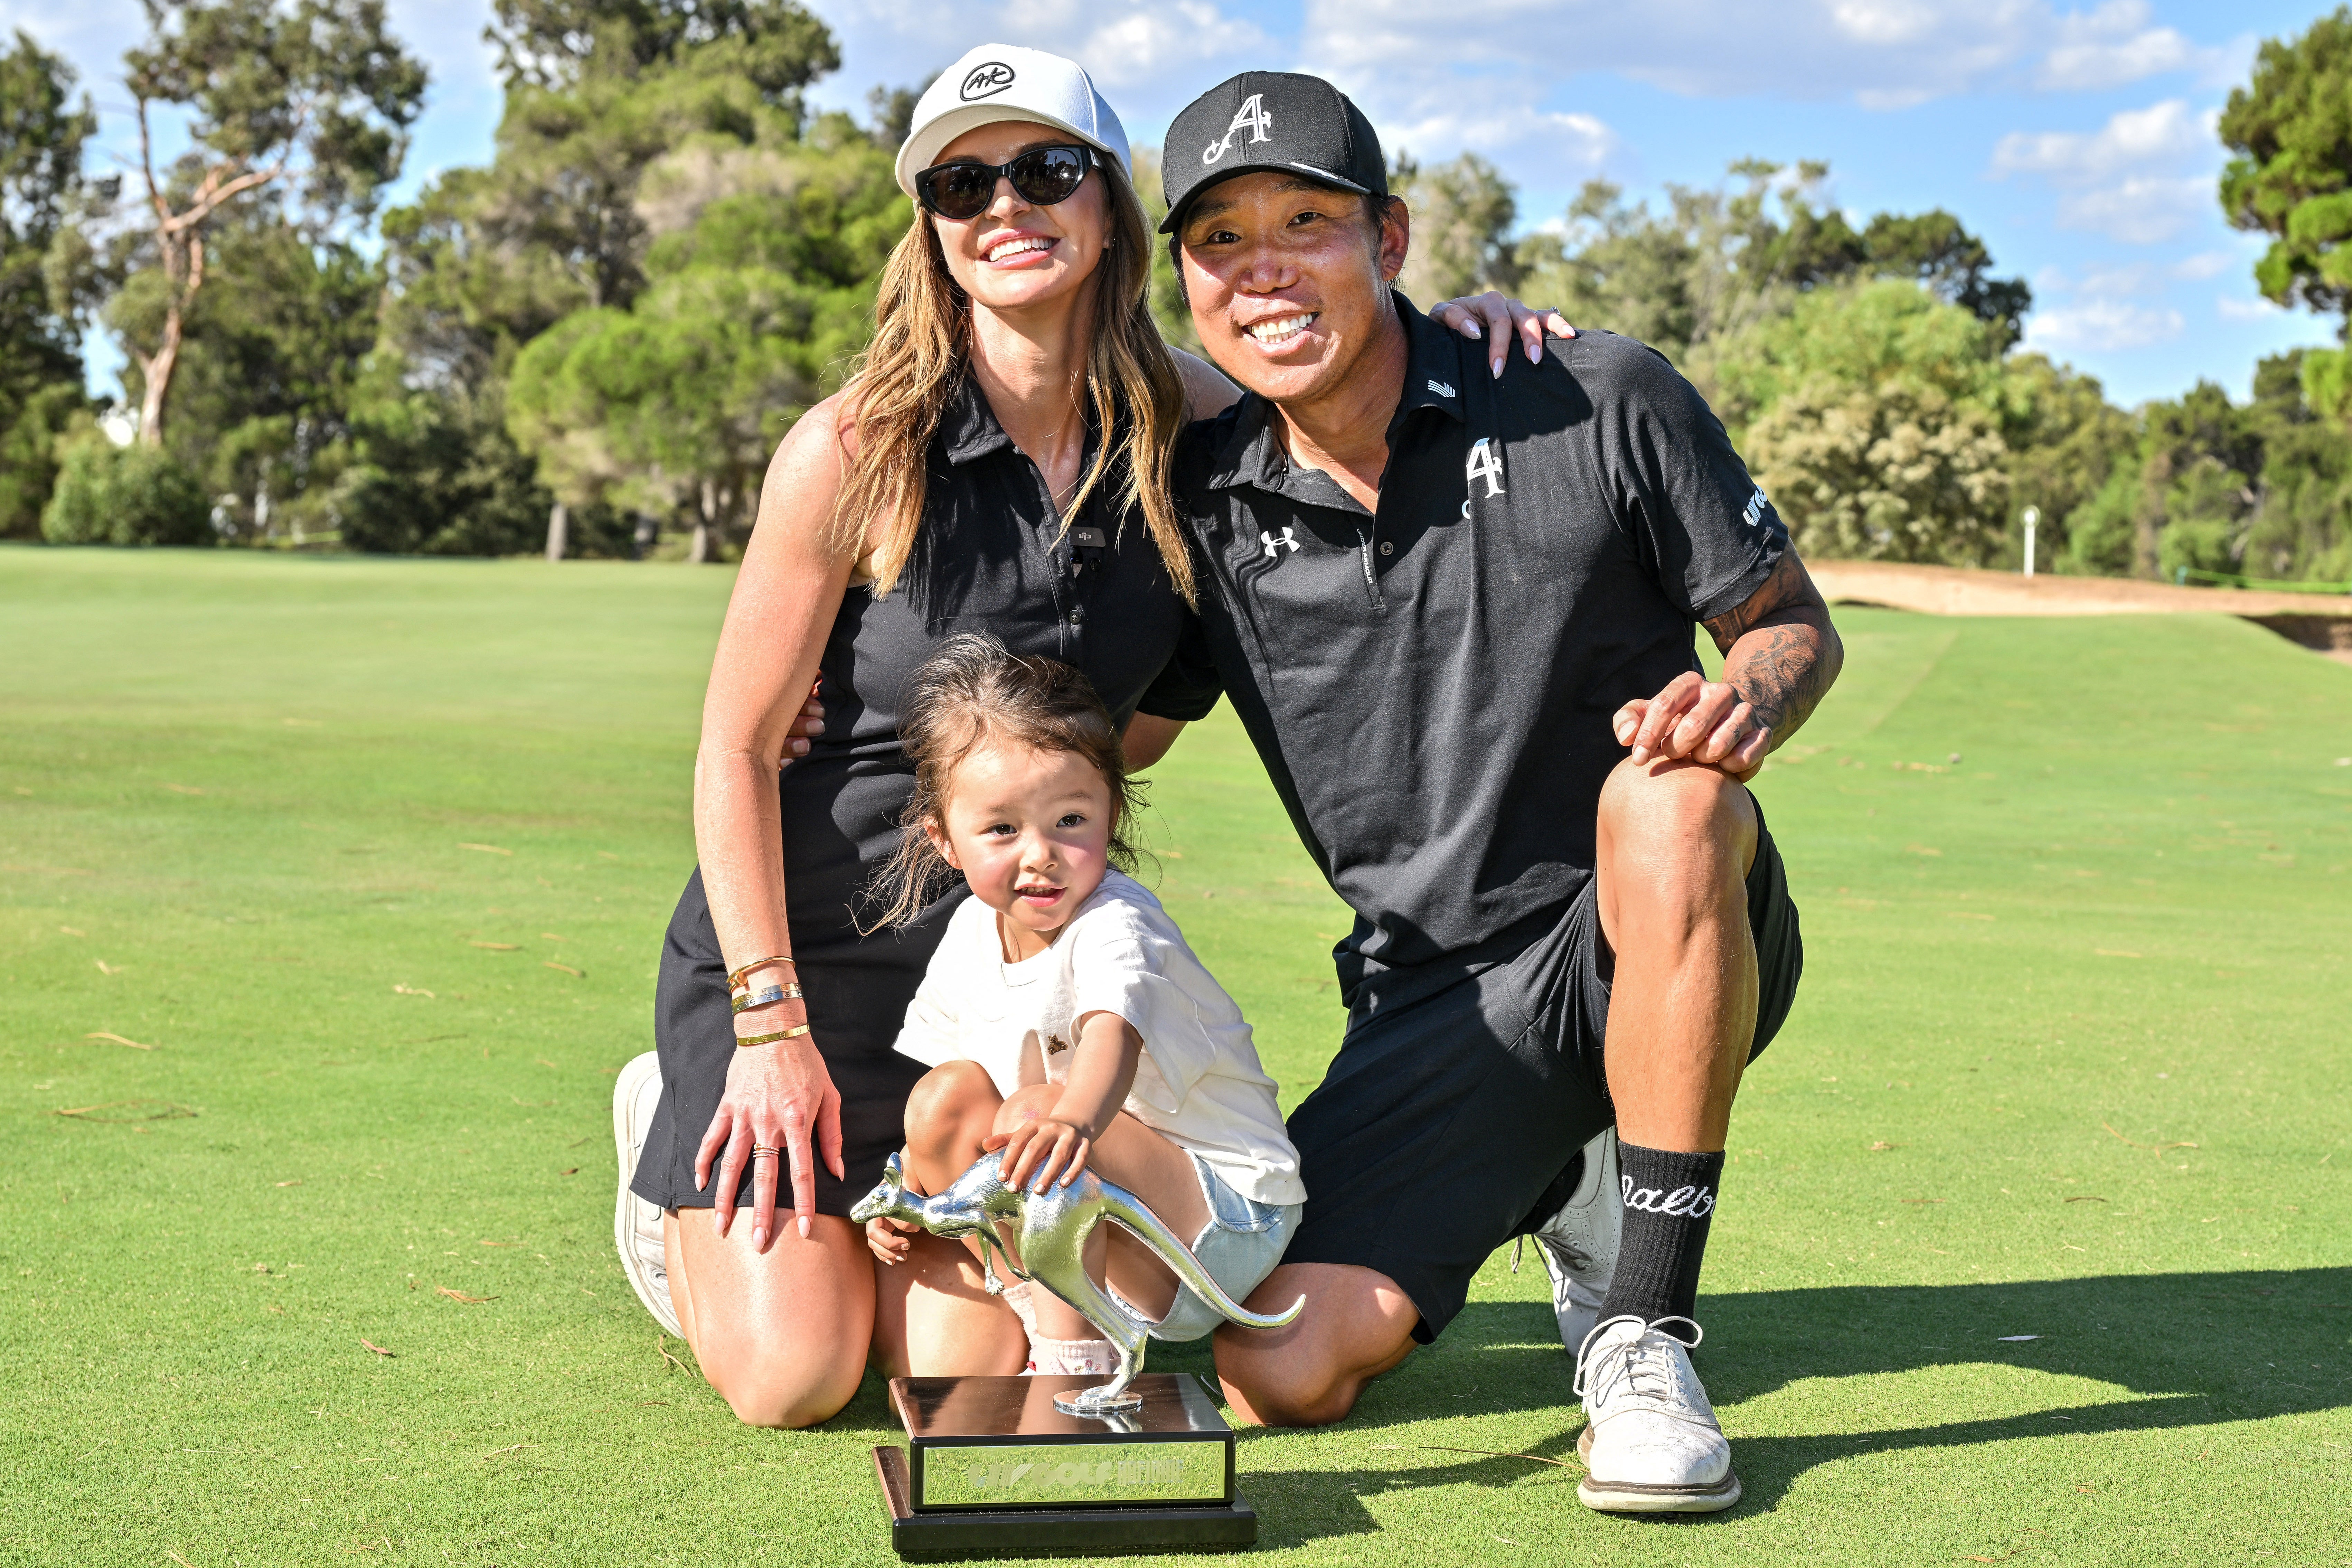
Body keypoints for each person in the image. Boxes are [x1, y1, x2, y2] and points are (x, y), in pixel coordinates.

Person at [605, 43, 1567, 1430]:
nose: (1006, 205)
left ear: (1108, 204)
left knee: (969, 1373)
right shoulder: (854, 446)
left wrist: (1470, 336)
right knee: (795, 1377)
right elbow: (735, 749)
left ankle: (860, 1235)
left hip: (1000, 1000)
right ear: (932, 228)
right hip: (802, 971)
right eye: (962, 185)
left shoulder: (1197, 424)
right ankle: (670, 1157)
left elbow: (1147, 720)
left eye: (1046, 171)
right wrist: (766, 1024)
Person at [1142, 72, 1845, 1515]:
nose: (1263, 267)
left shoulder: (1595, 393)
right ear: (1189, 284)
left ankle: (1645, 1323)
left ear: (1389, 238)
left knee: (1668, 798)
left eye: (1306, 223)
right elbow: (1111, 742)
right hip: (1436, 999)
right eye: (1220, 239)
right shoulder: (1196, 499)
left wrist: (1743, 704)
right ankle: (1571, 1171)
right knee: (1281, 1369)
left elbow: (1787, 621)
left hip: (1650, 918)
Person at [860, 634, 1302, 1377]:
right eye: (1002, 829)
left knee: (1036, 1118)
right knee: (942, 1100)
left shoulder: (1117, 923)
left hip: (1220, 1222)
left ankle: (1076, 1370)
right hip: (1085, 1194)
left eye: (1070, 820)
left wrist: (1071, 1120)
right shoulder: (970, 929)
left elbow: (1110, 1039)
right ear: (945, 839)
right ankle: (1043, 1308)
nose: (1040, 853)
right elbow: (947, 1090)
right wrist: (910, 1187)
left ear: (1111, 812)